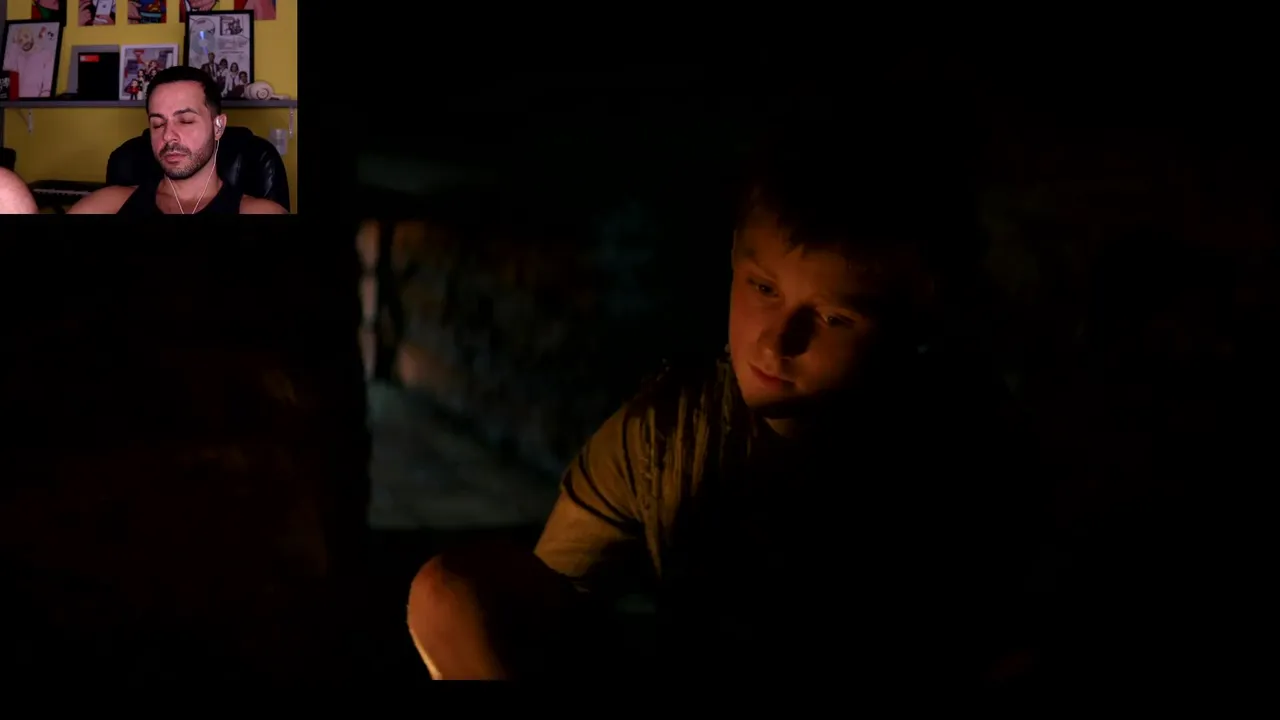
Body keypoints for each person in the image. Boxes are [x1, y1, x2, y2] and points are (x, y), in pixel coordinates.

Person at [405, 110, 1048, 685]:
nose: (777, 341)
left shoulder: (960, 452)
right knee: (450, 594)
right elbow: (553, 606)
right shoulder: (667, 432)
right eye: (763, 288)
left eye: (833, 318)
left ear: (913, 328)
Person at [68, 66, 287, 215]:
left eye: (185, 121)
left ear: (218, 126)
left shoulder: (259, 211)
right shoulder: (109, 204)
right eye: (157, 124)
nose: (167, 135)